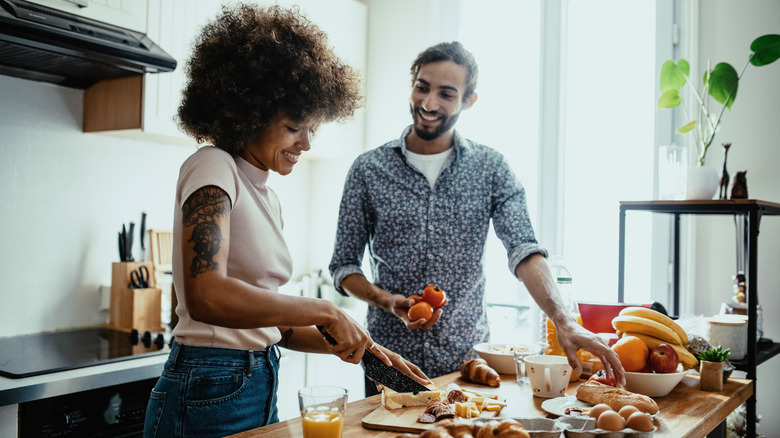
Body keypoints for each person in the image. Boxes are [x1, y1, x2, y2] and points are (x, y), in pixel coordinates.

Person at [143, 5, 430, 437]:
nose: (307, 143)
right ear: (249, 112)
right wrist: (326, 310)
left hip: (257, 383)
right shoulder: (213, 166)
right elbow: (206, 294)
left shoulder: (268, 198)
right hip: (208, 388)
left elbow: (275, 327)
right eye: (295, 126)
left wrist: (368, 349)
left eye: (313, 127)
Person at [328, 41, 625, 397]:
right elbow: (344, 267)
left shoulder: (491, 168)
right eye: (422, 87)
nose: (428, 103)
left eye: (446, 94)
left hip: (467, 363)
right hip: (388, 360)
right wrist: (387, 301)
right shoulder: (367, 170)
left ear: (469, 101)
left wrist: (562, 319)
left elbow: (523, 249)